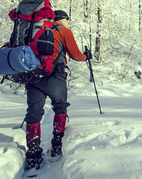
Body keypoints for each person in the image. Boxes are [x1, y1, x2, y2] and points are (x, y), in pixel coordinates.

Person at [24, 10, 92, 170]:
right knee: (60, 106)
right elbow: (75, 54)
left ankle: (33, 153)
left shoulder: (33, 30)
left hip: (32, 75)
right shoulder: (63, 31)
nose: (68, 23)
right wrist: (86, 56)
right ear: (63, 20)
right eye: (68, 20)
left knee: (33, 113)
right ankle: (57, 142)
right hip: (54, 74)